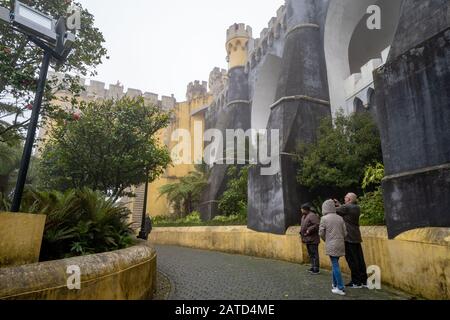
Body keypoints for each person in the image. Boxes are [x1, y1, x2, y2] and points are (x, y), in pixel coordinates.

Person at [334, 193, 368, 288]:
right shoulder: (356, 207)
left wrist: (332, 204)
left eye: (345, 197)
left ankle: (356, 282)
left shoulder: (347, 207)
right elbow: (344, 209)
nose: (344, 198)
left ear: (348, 199)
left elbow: (333, 210)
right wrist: (339, 204)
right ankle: (364, 280)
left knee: (352, 260)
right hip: (356, 236)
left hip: (349, 237)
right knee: (360, 259)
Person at [319, 199, 347, 296]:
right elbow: (345, 233)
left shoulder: (324, 218)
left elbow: (321, 233)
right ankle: (334, 284)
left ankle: (340, 287)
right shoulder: (340, 218)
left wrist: (326, 240)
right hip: (340, 243)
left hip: (331, 243)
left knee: (335, 265)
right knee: (335, 263)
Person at [300, 203, 320, 275]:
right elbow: (303, 226)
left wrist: (309, 230)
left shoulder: (312, 215)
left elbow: (317, 224)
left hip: (313, 238)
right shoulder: (304, 216)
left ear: (305, 209)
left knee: (314, 254)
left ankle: (316, 268)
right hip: (307, 238)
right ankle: (312, 266)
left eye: (302, 209)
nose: (301, 210)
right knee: (310, 254)